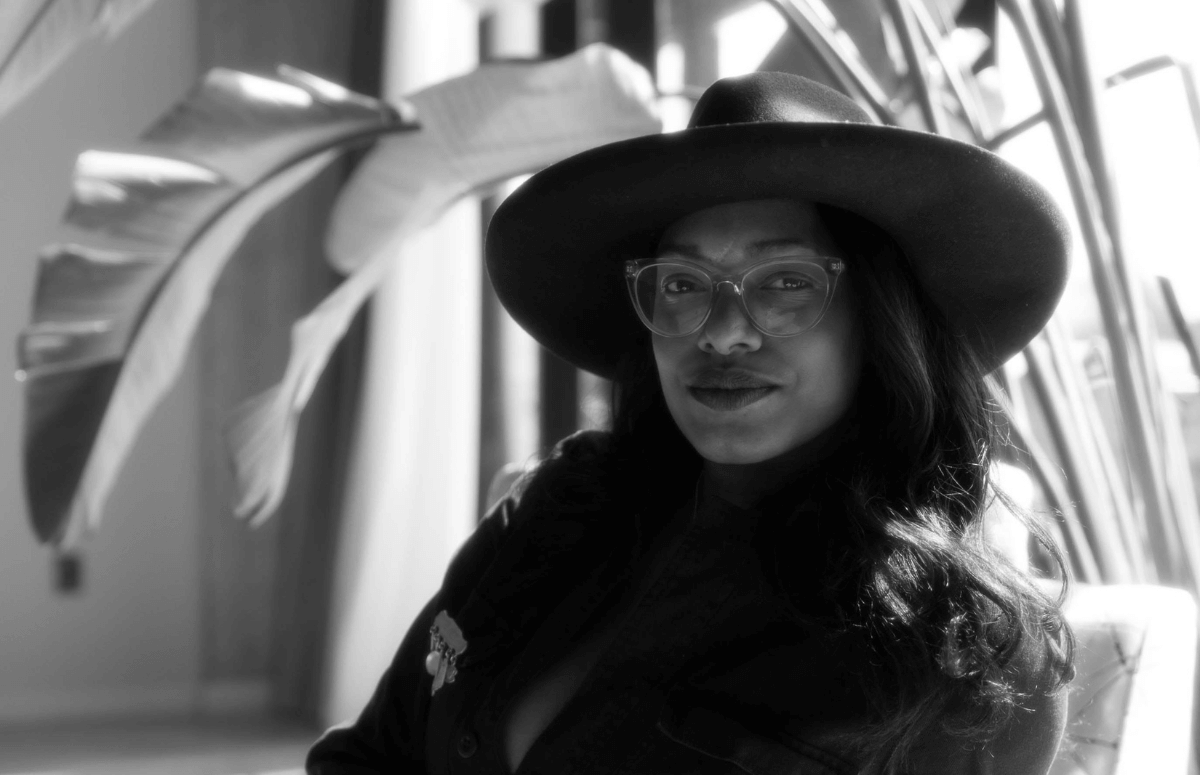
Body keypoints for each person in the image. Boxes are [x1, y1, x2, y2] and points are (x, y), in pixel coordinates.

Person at [306, 71, 1076, 775]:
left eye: (782, 282)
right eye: (682, 283)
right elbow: (371, 757)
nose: (722, 332)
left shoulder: (959, 651)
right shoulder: (557, 508)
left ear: (879, 319)